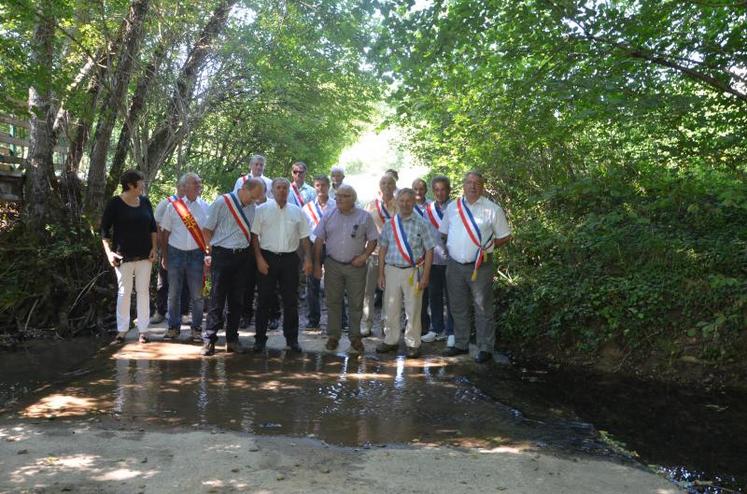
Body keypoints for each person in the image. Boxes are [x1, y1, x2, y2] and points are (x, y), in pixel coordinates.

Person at [440, 171, 512, 363]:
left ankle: (485, 347)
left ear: (483, 187)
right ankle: (461, 343)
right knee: (457, 306)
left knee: (483, 307)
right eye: (469, 182)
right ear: (463, 185)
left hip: (481, 266)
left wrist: (486, 248)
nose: (472, 186)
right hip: (454, 265)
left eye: (477, 183)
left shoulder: (493, 209)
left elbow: (505, 236)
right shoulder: (452, 208)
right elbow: (444, 233)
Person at [200, 178, 265, 356]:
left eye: (257, 198)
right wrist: (209, 252)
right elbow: (207, 230)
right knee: (216, 299)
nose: (254, 200)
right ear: (244, 189)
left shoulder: (252, 208)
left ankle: (232, 339)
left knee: (237, 300)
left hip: (242, 256)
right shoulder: (222, 202)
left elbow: (252, 233)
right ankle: (209, 339)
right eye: (253, 196)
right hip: (221, 254)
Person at [313, 185, 378, 353]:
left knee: (356, 303)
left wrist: (364, 256)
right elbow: (319, 240)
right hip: (332, 265)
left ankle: (355, 337)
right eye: (337, 196)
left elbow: (372, 240)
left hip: (355, 266)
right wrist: (317, 265)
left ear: (353, 198)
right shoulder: (328, 215)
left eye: (344, 196)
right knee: (333, 301)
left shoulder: (365, 217)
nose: (339, 199)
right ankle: (333, 336)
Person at [252, 178, 313, 353]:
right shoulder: (261, 210)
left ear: (289, 191)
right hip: (267, 258)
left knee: (290, 301)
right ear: (272, 191)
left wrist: (308, 259)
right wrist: (259, 259)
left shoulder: (297, 211)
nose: (282, 191)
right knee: (263, 300)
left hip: (289, 260)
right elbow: (254, 236)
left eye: (285, 188)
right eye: (278, 188)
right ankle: (260, 340)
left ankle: (292, 339)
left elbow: (304, 237)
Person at [375, 188, 435, 358]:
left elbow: (430, 250)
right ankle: (390, 340)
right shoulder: (389, 224)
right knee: (390, 308)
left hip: (413, 272)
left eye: (409, 201)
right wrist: (380, 274)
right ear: (397, 202)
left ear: (414, 202)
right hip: (391, 270)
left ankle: (413, 343)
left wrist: (426, 275)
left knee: (413, 309)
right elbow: (382, 249)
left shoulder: (422, 223)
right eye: (402, 200)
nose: (405, 204)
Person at [100, 169, 158, 344]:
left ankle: (143, 330)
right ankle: (122, 330)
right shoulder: (115, 203)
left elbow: (153, 228)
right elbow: (103, 231)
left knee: (143, 292)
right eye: (140, 182)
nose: (143, 185)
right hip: (122, 256)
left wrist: (154, 248)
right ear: (131, 185)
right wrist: (109, 252)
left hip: (145, 256)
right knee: (124, 293)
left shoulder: (146, 202)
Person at [160, 173, 209, 342]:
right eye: (195, 183)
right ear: (184, 186)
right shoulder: (173, 207)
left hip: (197, 255)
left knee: (197, 295)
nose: (199, 186)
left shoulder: (206, 207)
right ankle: (173, 327)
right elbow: (165, 233)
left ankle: (196, 329)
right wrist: (165, 257)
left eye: (199, 183)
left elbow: (208, 235)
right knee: (173, 293)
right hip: (175, 254)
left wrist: (208, 257)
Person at [362, 175, 398, 335]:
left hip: (392, 255)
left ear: (395, 186)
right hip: (373, 253)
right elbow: (363, 227)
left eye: (390, 183)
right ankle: (366, 324)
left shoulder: (400, 205)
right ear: (379, 186)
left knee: (389, 292)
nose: (387, 186)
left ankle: (386, 324)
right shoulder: (370, 205)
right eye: (384, 183)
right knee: (367, 291)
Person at [422, 176, 455, 345]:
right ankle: (436, 328)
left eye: (443, 189)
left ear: (448, 190)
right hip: (433, 260)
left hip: (452, 259)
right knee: (434, 296)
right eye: (436, 190)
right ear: (433, 191)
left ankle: (451, 331)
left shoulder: (457, 207)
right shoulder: (428, 210)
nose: (440, 193)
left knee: (452, 297)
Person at [151, 183, 190, 324]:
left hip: (184, 249)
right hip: (167, 247)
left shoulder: (190, 204)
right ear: (178, 187)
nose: (185, 190)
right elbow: (155, 226)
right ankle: (160, 311)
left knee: (185, 280)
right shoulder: (166, 203)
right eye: (183, 187)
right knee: (163, 281)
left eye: (187, 187)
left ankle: (184, 312)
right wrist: (160, 247)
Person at [303, 175, 336, 331]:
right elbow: (303, 231)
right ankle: (313, 319)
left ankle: (338, 320)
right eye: (317, 185)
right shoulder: (307, 208)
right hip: (312, 247)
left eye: (323, 185)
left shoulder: (336, 206)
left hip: (332, 247)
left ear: (329, 186)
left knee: (335, 284)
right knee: (312, 285)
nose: (320, 188)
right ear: (314, 187)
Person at [411, 178, 431, 338]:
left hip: (430, 253)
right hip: (412, 255)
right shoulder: (406, 205)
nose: (418, 192)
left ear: (426, 190)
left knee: (425, 292)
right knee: (411, 292)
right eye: (415, 189)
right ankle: (410, 323)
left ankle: (425, 325)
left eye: (421, 189)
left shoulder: (431, 206)